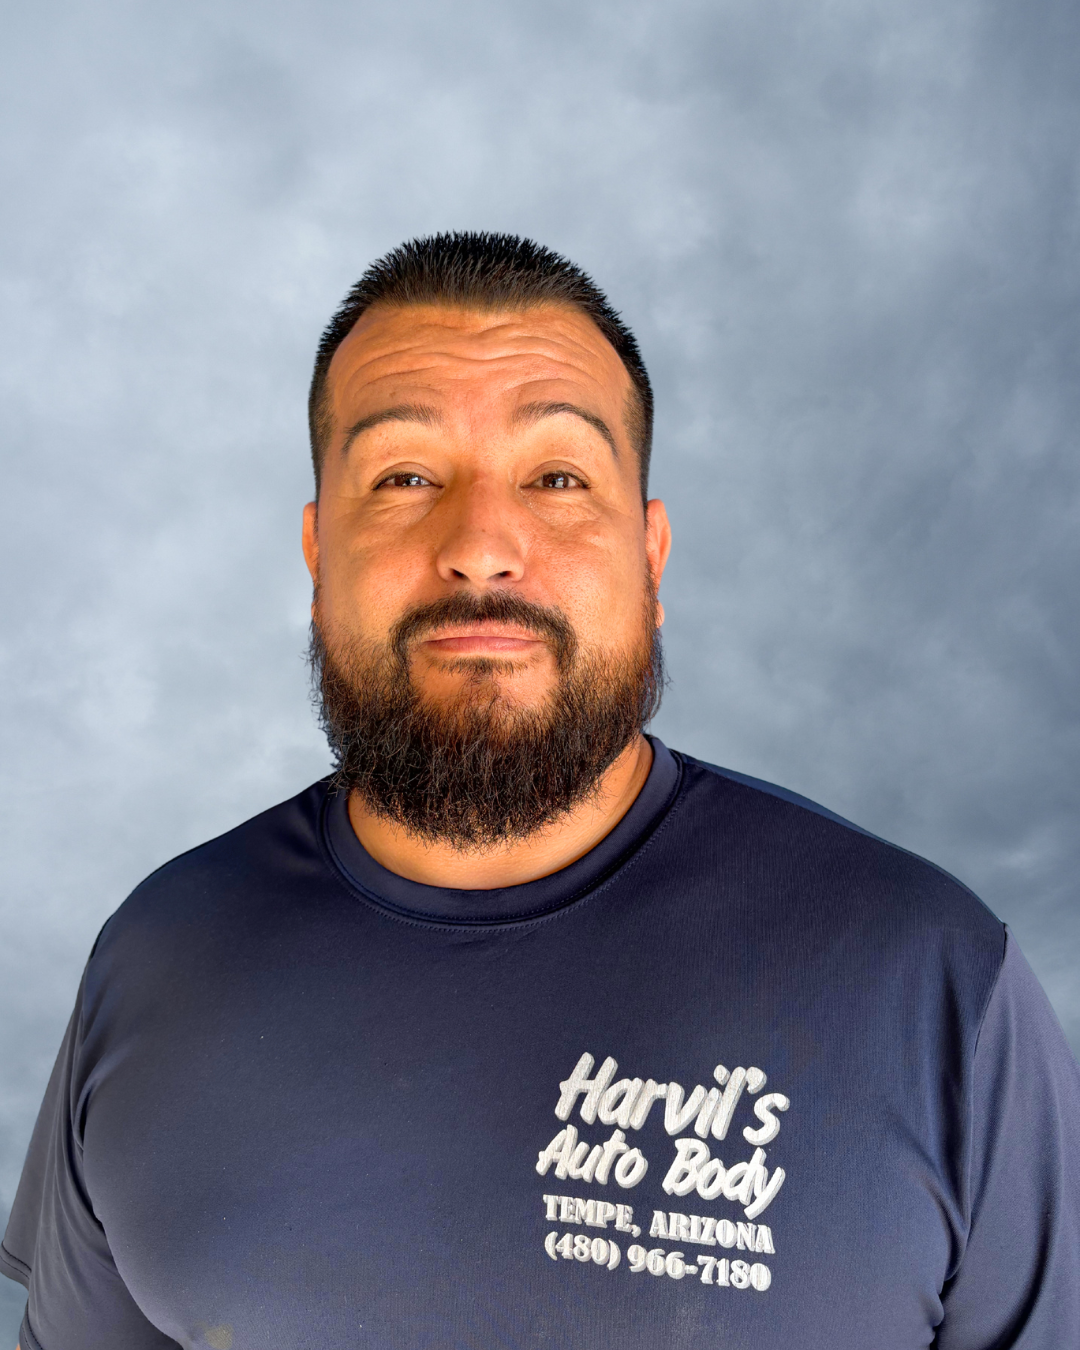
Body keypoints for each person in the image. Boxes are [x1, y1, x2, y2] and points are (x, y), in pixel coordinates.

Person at [2, 232, 1077, 1350]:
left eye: (558, 477)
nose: (480, 546)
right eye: (406, 477)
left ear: (650, 559)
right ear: (318, 554)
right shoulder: (157, 959)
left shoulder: (937, 988)